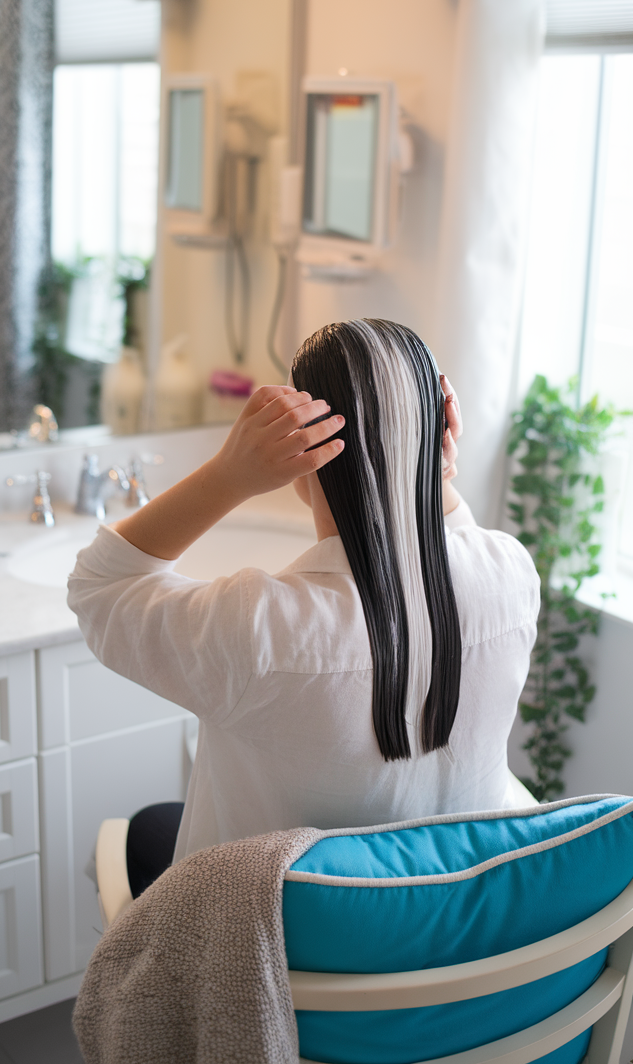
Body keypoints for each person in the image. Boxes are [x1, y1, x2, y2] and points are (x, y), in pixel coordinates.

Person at [68, 319, 539, 898]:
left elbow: (99, 586)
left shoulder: (260, 628)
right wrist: (426, 464)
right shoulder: (512, 575)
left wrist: (227, 476)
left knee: (147, 829)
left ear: (304, 448)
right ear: (440, 432)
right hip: (440, 925)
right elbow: (453, 543)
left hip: (292, 952)